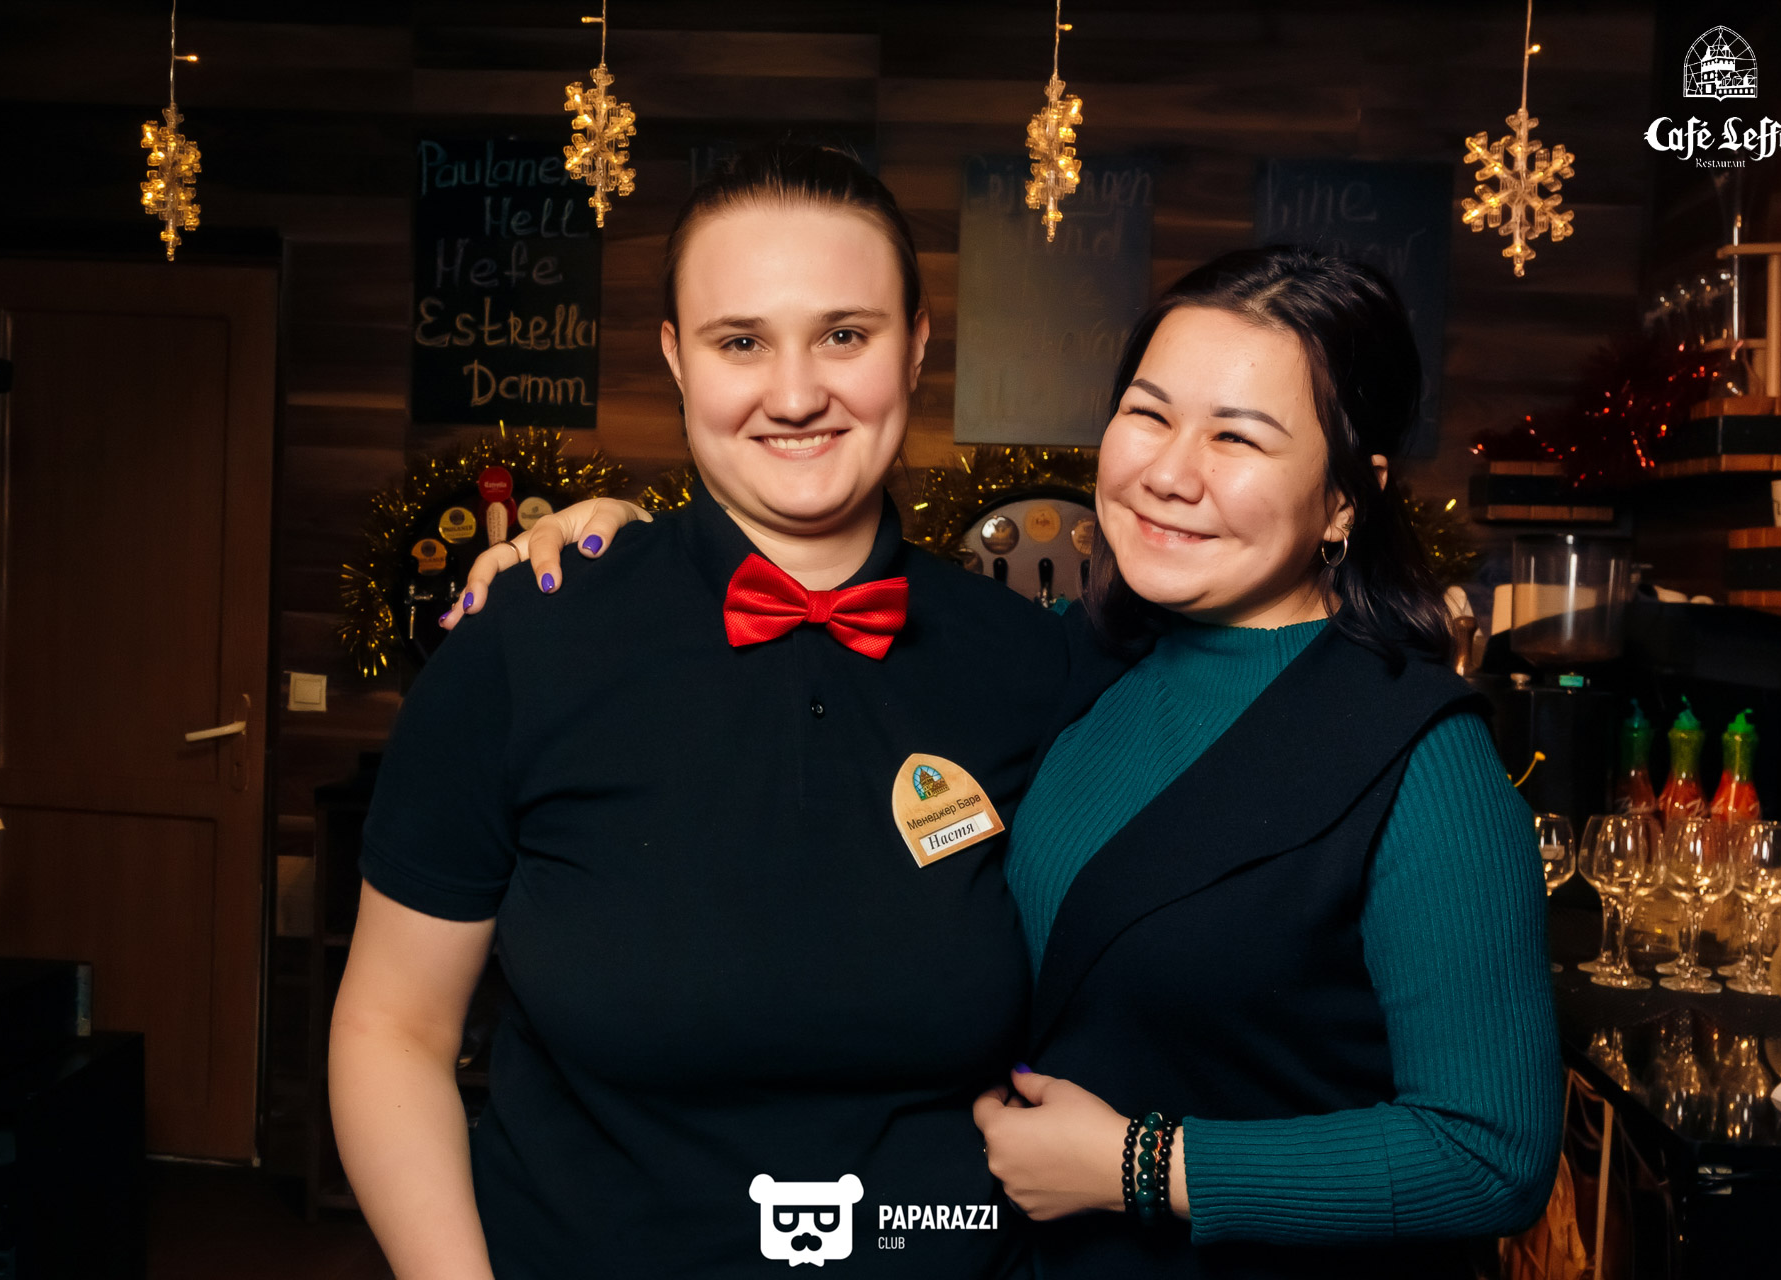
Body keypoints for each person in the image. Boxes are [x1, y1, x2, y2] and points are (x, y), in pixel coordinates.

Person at [467, 246, 1561, 1277]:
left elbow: (1490, 1154)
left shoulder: (1425, 761)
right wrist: (634, 547)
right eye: (1148, 414)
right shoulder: (1064, 665)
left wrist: (1143, 1165)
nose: (1169, 472)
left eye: (1237, 439)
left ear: (1346, 497)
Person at [330, 143, 1120, 1279]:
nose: (794, 395)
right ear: (675, 360)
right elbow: (392, 1029)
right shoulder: (528, 643)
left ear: (916, 346)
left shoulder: (1030, 665)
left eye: (844, 335)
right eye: (740, 341)